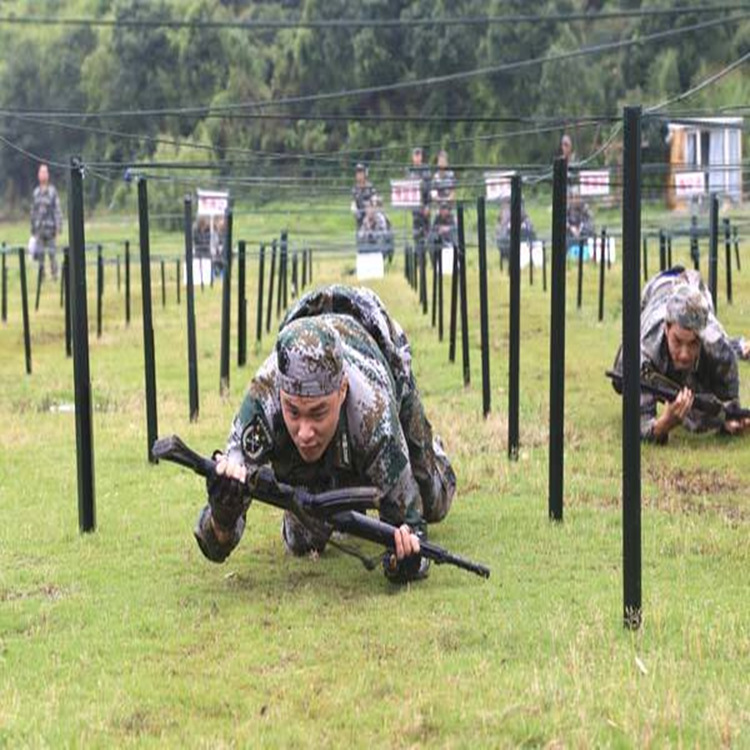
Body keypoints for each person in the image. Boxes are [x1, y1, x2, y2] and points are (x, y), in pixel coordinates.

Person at [194, 285, 457, 582]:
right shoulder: (260, 403)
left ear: (341, 391)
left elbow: (412, 526)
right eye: (293, 412)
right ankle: (332, 482)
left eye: (317, 413)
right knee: (303, 541)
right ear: (280, 392)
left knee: (433, 500)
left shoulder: (375, 411)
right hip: (306, 329)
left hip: (380, 346)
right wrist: (222, 517)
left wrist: (403, 562)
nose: (304, 432)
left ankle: (429, 454)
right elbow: (215, 546)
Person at [613, 268, 750, 444]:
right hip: (657, 290)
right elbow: (638, 430)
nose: (684, 355)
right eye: (677, 341)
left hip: (693, 285)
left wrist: (731, 422)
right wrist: (665, 424)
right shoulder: (643, 354)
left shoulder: (720, 349)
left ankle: (739, 345)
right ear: (667, 328)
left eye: (693, 343)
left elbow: (728, 406)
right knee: (621, 381)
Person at [30, 164, 63, 280]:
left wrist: (59, 227)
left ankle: (55, 276)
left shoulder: (52, 192)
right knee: (40, 255)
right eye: (41, 172)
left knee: (52, 254)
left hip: (50, 229)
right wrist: (32, 230)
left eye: (45, 172)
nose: (43, 174)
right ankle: (41, 277)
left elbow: (57, 210)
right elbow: (33, 212)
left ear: (48, 175)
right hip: (39, 230)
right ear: (38, 175)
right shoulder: (36, 193)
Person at [407, 147, 431, 251]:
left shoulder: (426, 171)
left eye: (419, 155)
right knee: (417, 240)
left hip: (425, 208)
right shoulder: (410, 172)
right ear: (413, 157)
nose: (417, 157)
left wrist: (428, 206)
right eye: (415, 155)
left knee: (428, 238)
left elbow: (429, 190)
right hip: (415, 210)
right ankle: (420, 263)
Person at [350, 163, 374, 229]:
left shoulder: (370, 187)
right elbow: (353, 203)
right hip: (360, 219)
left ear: (365, 174)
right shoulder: (355, 189)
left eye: (361, 173)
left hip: (370, 218)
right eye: (357, 173)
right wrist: (355, 211)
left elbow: (374, 201)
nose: (359, 175)